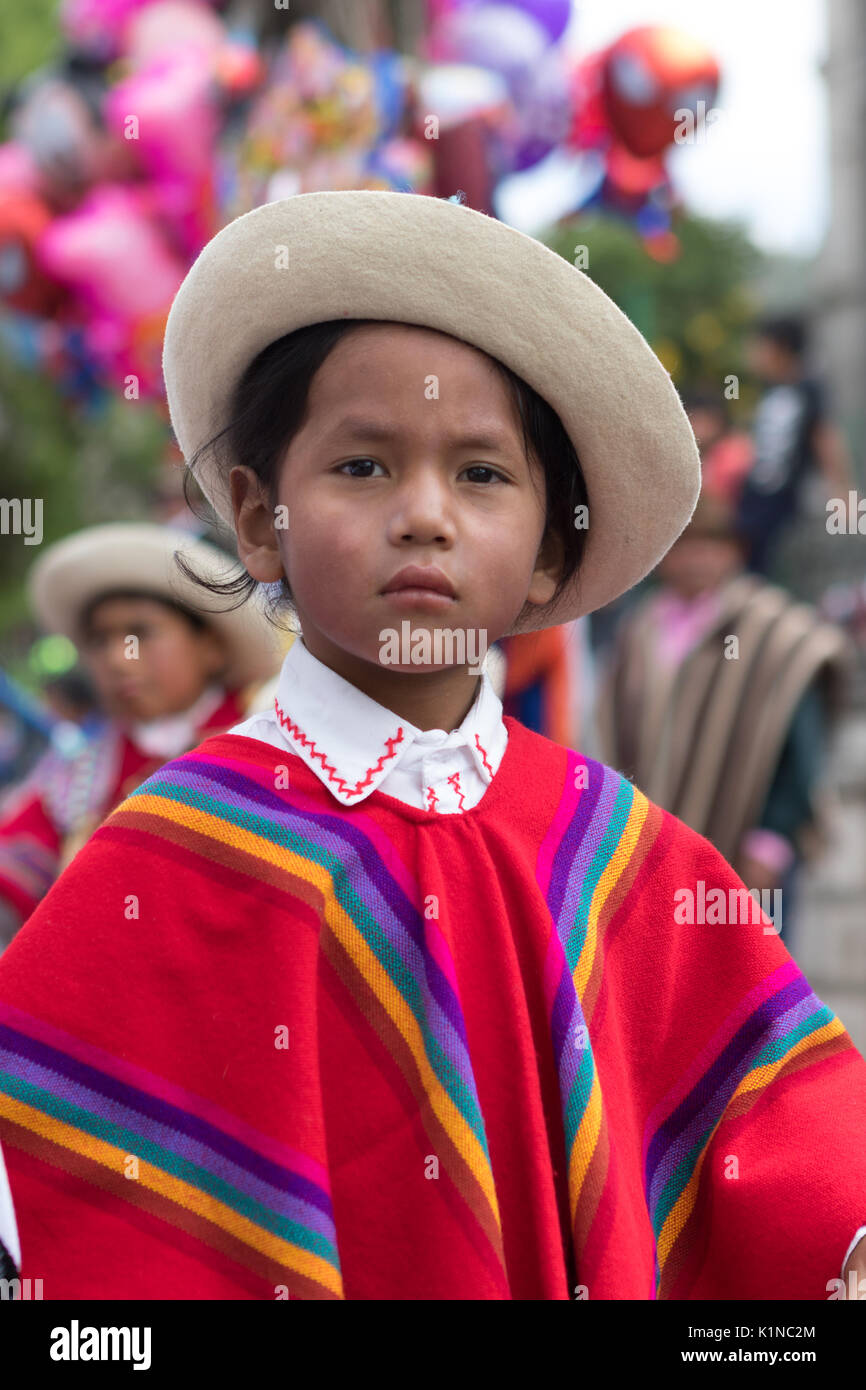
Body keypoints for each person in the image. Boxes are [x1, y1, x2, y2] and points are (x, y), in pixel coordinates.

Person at [0, 191, 864, 1301]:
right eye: (361, 466)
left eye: (482, 474)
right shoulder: (170, 858)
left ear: (553, 551)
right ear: (260, 514)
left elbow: (787, 1143)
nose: (424, 514)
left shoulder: (617, 854)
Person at [0, 523, 280, 948]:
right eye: (99, 641)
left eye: (139, 633)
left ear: (211, 646)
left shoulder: (270, 744)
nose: (117, 657)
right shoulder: (82, 771)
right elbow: (20, 856)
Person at [595, 491, 851, 948]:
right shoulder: (640, 628)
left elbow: (798, 746)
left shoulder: (775, 631)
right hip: (658, 848)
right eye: (683, 546)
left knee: (754, 982)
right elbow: (612, 733)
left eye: (710, 546)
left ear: (735, 552)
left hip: (748, 847)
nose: (696, 559)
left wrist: (771, 839)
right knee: (667, 978)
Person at [737, 314, 856, 576]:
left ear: (780, 348)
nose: (753, 354)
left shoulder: (809, 388)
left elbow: (825, 438)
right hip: (757, 496)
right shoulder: (766, 388)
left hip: (787, 499)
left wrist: (842, 492)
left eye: (759, 346)